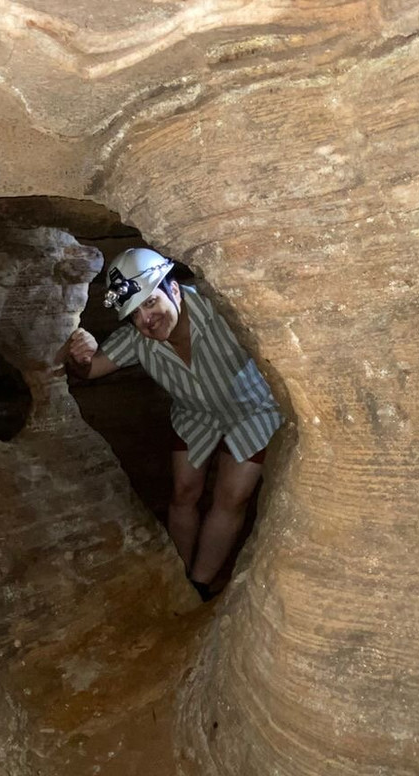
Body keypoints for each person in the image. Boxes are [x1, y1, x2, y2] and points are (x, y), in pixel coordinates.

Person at [58, 248, 282, 600]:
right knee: (184, 493)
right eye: (134, 314)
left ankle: (200, 582)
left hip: (252, 408)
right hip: (194, 412)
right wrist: (80, 357)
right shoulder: (138, 339)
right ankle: (178, 574)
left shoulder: (222, 309)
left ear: (173, 289)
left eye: (150, 303)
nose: (146, 320)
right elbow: (90, 370)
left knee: (231, 496)